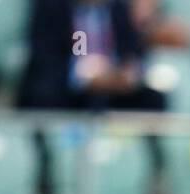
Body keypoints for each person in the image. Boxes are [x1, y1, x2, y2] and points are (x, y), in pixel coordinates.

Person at [19, 0, 166, 111]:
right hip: (66, 88)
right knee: (45, 94)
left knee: (152, 99)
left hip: (114, 87)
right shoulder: (51, 7)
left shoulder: (119, 9)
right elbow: (44, 57)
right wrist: (81, 73)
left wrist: (126, 73)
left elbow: (133, 51)